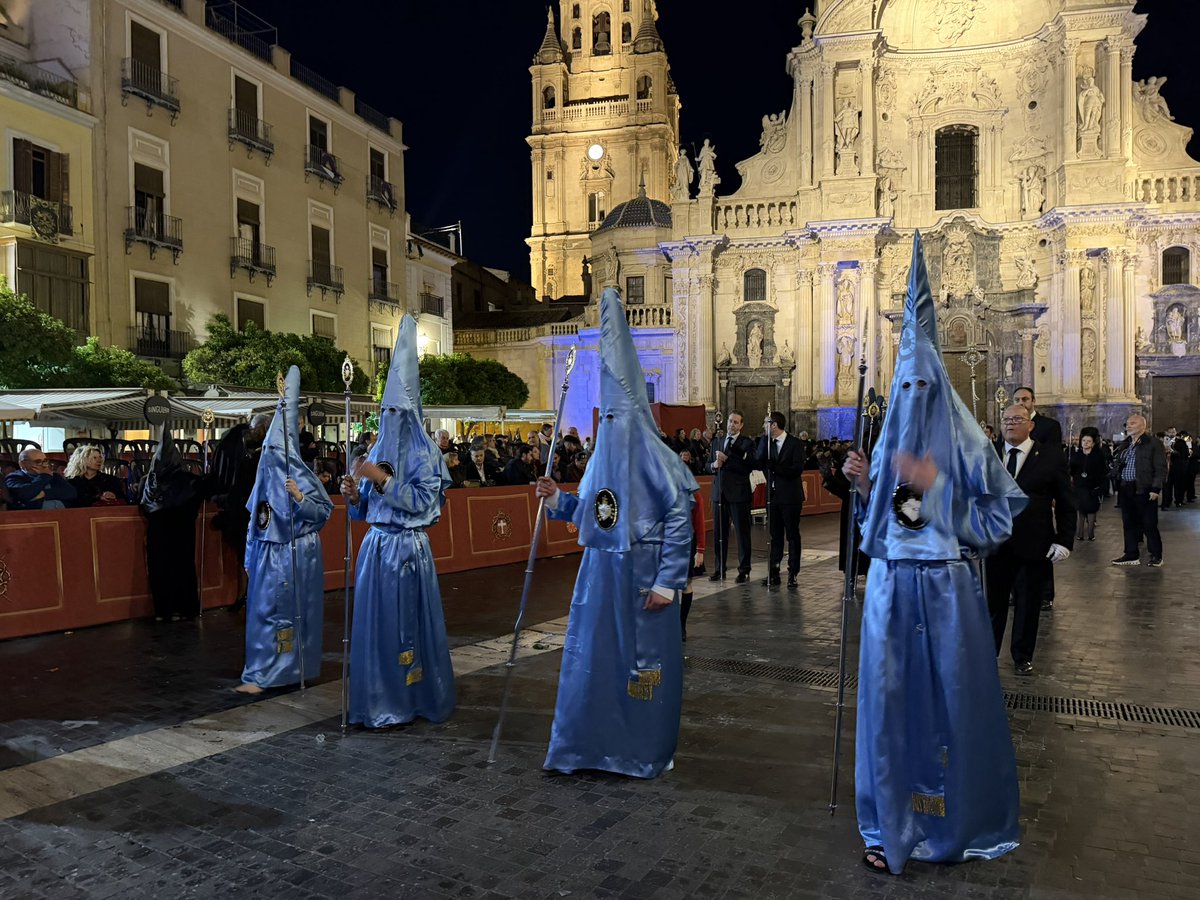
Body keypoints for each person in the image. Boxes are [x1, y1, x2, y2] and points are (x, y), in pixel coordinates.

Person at [842, 232, 1025, 876]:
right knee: (886, 706)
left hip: (948, 592)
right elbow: (882, 528)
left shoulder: (967, 442)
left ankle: (953, 817)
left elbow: (997, 520)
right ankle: (887, 821)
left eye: (925, 384)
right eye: (906, 385)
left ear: (939, 385)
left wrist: (938, 488)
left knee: (952, 704)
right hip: (890, 589)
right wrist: (864, 488)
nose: (914, 395)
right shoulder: (889, 436)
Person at [535, 288, 697, 778]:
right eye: (604, 417)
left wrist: (668, 582)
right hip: (599, 574)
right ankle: (587, 745)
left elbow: (679, 521)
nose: (610, 424)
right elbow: (590, 511)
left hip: (645, 576)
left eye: (616, 416)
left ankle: (639, 750)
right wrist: (557, 498)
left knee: (641, 662)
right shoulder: (598, 460)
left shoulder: (663, 462)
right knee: (594, 658)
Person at [342, 316, 455, 727]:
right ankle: (376, 697)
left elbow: (424, 504)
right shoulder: (377, 450)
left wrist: (383, 480)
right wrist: (355, 496)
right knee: (375, 626)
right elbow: (365, 511)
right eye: (385, 410)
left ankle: (409, 697)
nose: (390, 417)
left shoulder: (427, 455)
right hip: (376, 549)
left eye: (396, 410)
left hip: (408, 549)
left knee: (404, 624)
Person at [236, 367, 333, 693]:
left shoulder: (302, 477)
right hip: (267, 557)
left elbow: (323, 513)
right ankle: (262, 670)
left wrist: (300, 498)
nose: (271, 458)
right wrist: (249, 557)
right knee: (263, 614)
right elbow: (254, 521)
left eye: (276, 452)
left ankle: (291, 668)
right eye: (268, 452)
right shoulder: (263, 479)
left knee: (292, 614)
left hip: (296, 555)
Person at [986, 405, 1074, 675]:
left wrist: (1064, 541)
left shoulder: (1049, 456)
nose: (1010, 423)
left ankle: (1022, 656)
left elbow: (1066, 501)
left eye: (1017, 419)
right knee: (993, 604)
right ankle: (988, 653)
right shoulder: (989, 454)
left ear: (1030, 425)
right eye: (1006, 419)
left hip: (1033, 543)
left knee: (1027, 603)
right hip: (995, 543)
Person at [140, 431, 206, 622]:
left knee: (160, 570)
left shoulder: (149, 480)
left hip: (158, 533)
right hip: (182, 531)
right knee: (182, 568)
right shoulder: (188, 480)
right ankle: (185, 608)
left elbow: (144, 505)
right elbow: (196, 500)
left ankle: (164, 610)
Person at [210, 415, 269, 610]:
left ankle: (248, 595)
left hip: (249, 512)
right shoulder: (256, 454)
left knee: (250, 556)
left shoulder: (253, 456)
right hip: (253, 511)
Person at [1110, 414, 1167, 567]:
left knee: (1148, 523)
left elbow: (1161, 468)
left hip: (1144, 488)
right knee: (1128, 523)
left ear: (1143, 426)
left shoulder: (1153, 443)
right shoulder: (1126, 443)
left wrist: (1156, 488)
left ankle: (1156, 555)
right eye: (1127, 423)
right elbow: (1119, 462)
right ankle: (1131, 554)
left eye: (1133, 423)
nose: (1128, 426)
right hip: (1126, 487)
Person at [756, 411, 805, 588]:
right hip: (773, 496)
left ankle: (793, 573)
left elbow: (797, 469)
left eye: (766, 423)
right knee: (775, 536)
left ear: (774, 425)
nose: (763, 426)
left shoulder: (795, 443)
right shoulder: (767, 443)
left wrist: (777, 468)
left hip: (790, 496)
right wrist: (764, 441)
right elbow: (758, 461)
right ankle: (774, 572)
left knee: (792, 535)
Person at [709, 410, 756, 583]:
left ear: (741, 425)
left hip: (738, 494)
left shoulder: (747, 443)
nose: (732, 424)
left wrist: (727, 460)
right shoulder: (717, 441)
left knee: (742, 534)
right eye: (730, 421)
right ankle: (719, 568)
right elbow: (707, 465)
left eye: (736, 422)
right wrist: (714, 465)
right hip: (719, 493)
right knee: (719, 534)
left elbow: (748, 467)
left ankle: (744, 569)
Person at [5, 448, 77, 510]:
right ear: (23, 464)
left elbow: (71, 493)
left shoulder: (53, 476)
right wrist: (44, 476)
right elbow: (24, 495)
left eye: (45, 461)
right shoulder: (14, 477)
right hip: (30, 518)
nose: (44, 465)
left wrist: (43, 493)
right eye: (38, 462)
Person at [1070, 429, 1106, 541]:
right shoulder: (1077, 455)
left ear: (1093, 443)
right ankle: (1079, 534)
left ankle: (1091, 534)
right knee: (1080, 511)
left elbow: (1102, 473)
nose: (1085, 443)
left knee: (1091, 510)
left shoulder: (1098, 456)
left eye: (1088, 441)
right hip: (1079, 487)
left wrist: (1100, 487)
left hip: (1092, 488)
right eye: (1084, 440)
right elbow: (1072, 470)